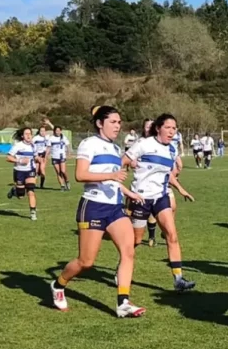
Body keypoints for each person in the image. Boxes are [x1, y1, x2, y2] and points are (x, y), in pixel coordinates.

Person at [50, 105, 146, 317]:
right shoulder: (89, 144)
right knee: (86, 262)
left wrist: (128, 192)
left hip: (115, 208)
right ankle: (59, 285)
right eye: (113, 122)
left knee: (128, 251)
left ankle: (123, 302)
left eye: (119, 122)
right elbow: (81, 175)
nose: (117, 126)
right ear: (99, 123)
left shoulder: (114, 148)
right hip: (93, 206)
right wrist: (111, 177)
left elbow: (113, 179)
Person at [122, 113, 196, 291]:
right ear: (158, 128)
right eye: (168, 127)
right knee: (136, 240)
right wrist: (121, 187)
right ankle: (122, 267)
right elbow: (122, 162)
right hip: (140, 198)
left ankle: (178, 279)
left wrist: (180, 189)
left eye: (174, 128)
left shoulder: (172, 149)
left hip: (160, 197)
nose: (172, 131)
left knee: (172, 235)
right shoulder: (144, 144)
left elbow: (167, 174)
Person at [6, 127, 38, 221]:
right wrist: (19, 160)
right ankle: (14, 191)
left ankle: (33, 213)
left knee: (31, 191)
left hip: (30, 171)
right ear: (22, 136)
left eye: (30, 134)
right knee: (21, 196)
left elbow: (35, 156)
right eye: (26, 134)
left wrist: (38, 159)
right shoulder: (18, 145)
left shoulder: (33, 146)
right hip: (19, 171)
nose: (28, 135)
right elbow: (8, 157)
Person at [48, 124, 71, 191]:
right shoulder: (51, 138)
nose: (57, 132)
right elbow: (48, 147)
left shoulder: (63, 137)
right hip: (54, 157)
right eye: (56, 131)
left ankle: (67, 181)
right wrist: (46, 155)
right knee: (58, 172)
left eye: (59, 130)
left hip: (62, 156)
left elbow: (68, 145)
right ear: (54, 131)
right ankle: (62, 185)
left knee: (63, 171)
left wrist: (69, 153)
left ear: (61, 131)